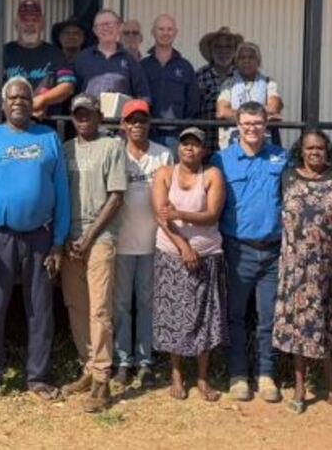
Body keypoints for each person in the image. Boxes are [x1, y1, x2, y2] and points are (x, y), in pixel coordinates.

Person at [0, 77, 69, 404]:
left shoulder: (49, 138)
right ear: (4, 104)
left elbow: (63, 194)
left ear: (32, 102)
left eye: (24, 97)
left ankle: (38, 377)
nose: (19, 102)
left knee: (40, 309)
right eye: (12, 98)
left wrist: (58, 241)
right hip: (0, 238)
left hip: (40, 237)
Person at [271, 130, 332, 417]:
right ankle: (298, 389)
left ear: (327, 150)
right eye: (309, 148)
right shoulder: (288, 177)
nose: (315, 152)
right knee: (297, 331)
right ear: (301, 151)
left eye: (320, 148)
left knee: (325, 329)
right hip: (294, 268)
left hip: (325, 269)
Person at [210, 101, 286, 403]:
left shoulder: (281, 158)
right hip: (236, 249)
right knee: (236, 315)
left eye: (258, 123)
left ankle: (266, 374)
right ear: (237, 126)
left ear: (266, 126)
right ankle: (238, 374)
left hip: (273, 251)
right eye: (246, 123)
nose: (252, 128)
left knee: (268, 316)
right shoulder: (221, 159)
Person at [60, 94, 126, 412]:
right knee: (76, 304)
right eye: (77, 114)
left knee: (99, 308)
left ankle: (102, 378)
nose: (83, 119)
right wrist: (65, 238)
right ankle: (88, 366)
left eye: (88, 114)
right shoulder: (66, 149)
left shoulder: (112, 146)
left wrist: (88, 236)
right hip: (70, 238)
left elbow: (116, 198)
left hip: (99, 237)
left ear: (99, 116)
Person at [151, 127, 227, 401]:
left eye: (195, 145)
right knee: (173, 316)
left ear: (203, 150)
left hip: (207, 254)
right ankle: (176, 374)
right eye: (185, 144)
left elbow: (211, 215)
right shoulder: (164, 173)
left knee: (204, 319)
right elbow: (161, 216)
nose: (189, 149)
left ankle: (203, 377)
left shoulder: (212, 175)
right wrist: (183, 246)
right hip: (171, 254)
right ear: (178, 148)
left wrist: (179, 213)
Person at [113, 100, 172, 388]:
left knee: (148, 303)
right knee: (121, 304)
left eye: (142, 120)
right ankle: (123, 359)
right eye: (131, 120)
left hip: (153, 243)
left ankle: (145, 360)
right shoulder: (115, 153)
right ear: (122, 125)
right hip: (121, 242)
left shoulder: (163, 156)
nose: (137, 125)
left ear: (150, 124)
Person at [2, 0, 76, 117]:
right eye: (24, 20)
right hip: (10, 122)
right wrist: (19, 106)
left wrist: (42, 100)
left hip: (46, 124)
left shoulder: (55, 53)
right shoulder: (4, 52)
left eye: (34, 20)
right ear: (16, 24)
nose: (29, 24)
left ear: (42, 24)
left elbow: (67, 86)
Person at [140, 14, 199, 150]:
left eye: (169, 29)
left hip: (176, 136)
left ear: (175, 33)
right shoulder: (142, 66)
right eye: (161, 29)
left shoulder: (185, 67)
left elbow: (193, 104)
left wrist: (185, 131)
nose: (165, 33)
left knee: (173, 172)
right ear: (153, 32)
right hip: (147, 134)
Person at [74, 9, 151, 105]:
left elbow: (143, 95)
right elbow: (73, 94)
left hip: (119, 118)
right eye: (101, 25)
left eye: (110, 24)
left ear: (119, 28)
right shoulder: (83, 58)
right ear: (95, 30)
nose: (106, 28)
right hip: (89, 118)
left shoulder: (130, 60)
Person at [215, 42, 283, 149]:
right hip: (233, 141)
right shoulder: (228, 84)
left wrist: (235, 114)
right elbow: (223, 111)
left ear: (258, 61)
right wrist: (260, 115)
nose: (246, 61)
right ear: (237, 62)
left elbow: (273, 108)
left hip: (263, 141)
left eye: (251, 57)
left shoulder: (269, 83)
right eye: (242, 58)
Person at [196, 27, 242, 153]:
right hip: (206, 143)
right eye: (218, 47)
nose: (223, 51)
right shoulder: (199, 75)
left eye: (228, 47)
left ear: (235, 50)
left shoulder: (243, 76)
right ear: (211, 50)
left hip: (237, 144)